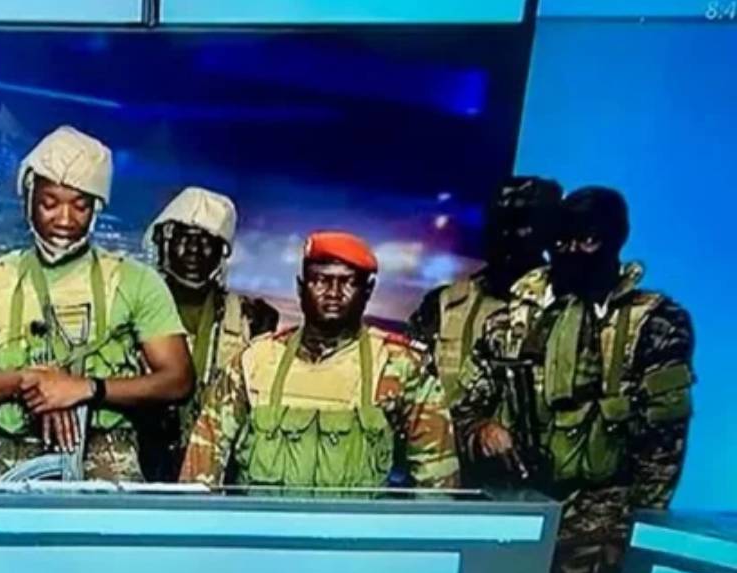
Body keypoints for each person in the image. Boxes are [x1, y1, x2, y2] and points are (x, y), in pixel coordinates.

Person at [454, 187, 694, 573]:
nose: (573, 251)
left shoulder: (653, 323)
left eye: (588, 240)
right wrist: (483, 430)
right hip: (518, 506)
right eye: (562, 241)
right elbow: (466, 408)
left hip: (602, 519)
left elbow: (664, 439)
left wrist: (634, 529)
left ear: (615, 239)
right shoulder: (511, 320)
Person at [0, 126, 192, 481]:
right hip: (11, 458)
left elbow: (178, 380)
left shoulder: (137, 282)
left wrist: (87, 389)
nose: (65, 220)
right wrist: (27, 382)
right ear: (28, 201)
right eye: (49, 204)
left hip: (110, 458)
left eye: (80, 206)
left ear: (96, 208)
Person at [179, 231, 458, 489]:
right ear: (301, 288)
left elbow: (437, 481)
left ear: (368, 291)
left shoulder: (400, 365)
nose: (333, 292)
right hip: (265, 524)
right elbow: (202, 466)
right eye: (321, 280)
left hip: (358, 525)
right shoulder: (255, 361)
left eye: (348, 282)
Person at [139, 187, 277, 481]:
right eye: (184, 239)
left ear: (221, 253)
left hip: (221, 468)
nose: (193, 251)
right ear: (164, 244)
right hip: (144, 459)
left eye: (206, 242)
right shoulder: (133, 310)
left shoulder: (250, 319)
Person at [409, 176, 562, 407]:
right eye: (498, 223)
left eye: (520, 225)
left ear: (545, 234)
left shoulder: (566, 309)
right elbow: (409, 380)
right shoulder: (442, 305)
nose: (506, 235)